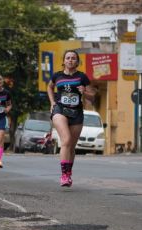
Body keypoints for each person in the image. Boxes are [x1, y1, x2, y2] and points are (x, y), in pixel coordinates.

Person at [47, 50, 96, 187]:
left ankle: (68, 174)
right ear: (64, 61)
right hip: (60, 109)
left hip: (76, 112)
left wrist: (84, 92)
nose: (70, 60)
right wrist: (52, 102)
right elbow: (49, 87)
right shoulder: (57, 75)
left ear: (77, 62)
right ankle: (64, 175)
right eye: (68, 58)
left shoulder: (82, 77)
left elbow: (92, 97)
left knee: (71, 146)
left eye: (73, 58)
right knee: (66, 140)